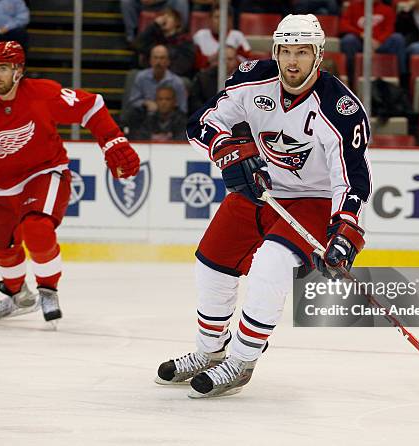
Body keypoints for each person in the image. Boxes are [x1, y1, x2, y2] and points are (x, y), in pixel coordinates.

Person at [156, 15, 371, 398]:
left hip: (312, 201)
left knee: (269, 267)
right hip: (261, 188)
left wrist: (345, 230)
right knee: (211, 262)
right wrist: (227, 150)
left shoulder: (340, 109)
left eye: (302, 52)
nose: (292, 61)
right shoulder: (252, 79)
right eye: (286, 51)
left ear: (318, 55)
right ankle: (210, 350)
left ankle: (241, 360)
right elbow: (201, 123)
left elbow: (351, 179)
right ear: (275, 51)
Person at [0, 41, 140, 323]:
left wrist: (113, 141)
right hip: (2, 185)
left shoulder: (42, 94)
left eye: (3, 68)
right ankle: (19, 296)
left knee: (36, 228)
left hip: (45, 172)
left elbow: (91, 106)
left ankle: (48, 288)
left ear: (18, 71)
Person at [339, 0, 407, 82]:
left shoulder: (387, 9)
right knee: (348, 40)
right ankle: (351, 79)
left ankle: (403, 81)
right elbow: (343, 25)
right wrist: (361, 35)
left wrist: (378, 41)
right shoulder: (353, 7)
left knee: (398, 38)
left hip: (380, 44)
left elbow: (389, 29)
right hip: (360, 42)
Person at [127, 44, 188, 121]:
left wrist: (168, 107)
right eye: (155, 58)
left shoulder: (177, 82)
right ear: (150, 61)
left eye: (162, 58)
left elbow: (183, 109)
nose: (158, 62)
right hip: (145, 119)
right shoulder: (141, 77)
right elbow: (133, 101)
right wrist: (146, 103)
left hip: (170, 121)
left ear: (168, 61)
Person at [131, 7, 195, 77]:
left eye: (169, 16)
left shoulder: (185, 41)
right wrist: (154, 26)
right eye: (162, 16)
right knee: (133, 74)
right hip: (151, 77)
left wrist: (162, 75)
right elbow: (137, 45)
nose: (164, 18)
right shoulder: (154, 39)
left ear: (177, 22)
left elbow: (182, 66)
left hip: (174, 78)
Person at [192, 4, 251, 70]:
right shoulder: (200, 36)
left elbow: (248, 61)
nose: (220, 21)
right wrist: (212, 59)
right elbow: (193, 62)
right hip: (206, 76)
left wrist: (231, 59)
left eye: (224, 17)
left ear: (230, 20)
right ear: (210, 19)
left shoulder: (237, 36)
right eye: (217, 17)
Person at [120, 0, 189, 44]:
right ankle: (133, 37)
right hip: (143, 4)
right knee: (126, 1)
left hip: (165, 4)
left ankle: (179, 35)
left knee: (181, 1)